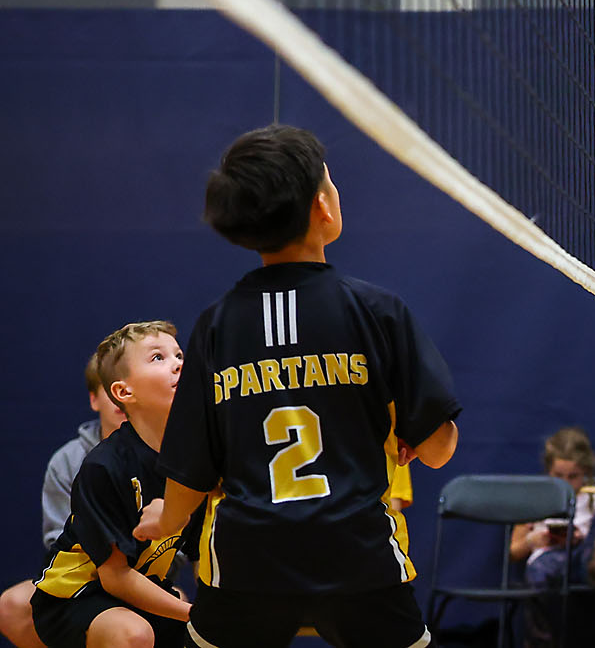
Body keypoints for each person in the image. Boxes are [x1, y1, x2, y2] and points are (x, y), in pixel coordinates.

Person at [134, 124, 462, 648]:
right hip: (358, 558)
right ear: (322, 209)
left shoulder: (217, 326)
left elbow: (192, 467)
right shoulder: (377, 311)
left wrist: (165, 518)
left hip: (248, 562)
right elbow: (439, 449)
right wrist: (411, 437)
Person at [30, 322, 191, 648]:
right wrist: (194, 613)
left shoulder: (196, 457)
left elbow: (207, 548)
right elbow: (115, 577)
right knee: (132, 634)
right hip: (77, 595)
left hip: (146, 585)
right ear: (123, 393)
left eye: (179, 354)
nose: (177, 363)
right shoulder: (104, 466)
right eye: (158, 358)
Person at [1, 357, 128, 648]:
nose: (118, 398)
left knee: (170, 611)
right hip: (82, 578)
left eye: (125, 387)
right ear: (94, 399)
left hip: (146, 578)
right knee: (12, 605)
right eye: (109, 389)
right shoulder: (69, 461)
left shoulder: (168, 454)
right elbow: (57, 539)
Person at [510, 427, 595, 591]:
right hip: (545, 564)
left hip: (585, 561)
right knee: (542, 571)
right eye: (559, 476)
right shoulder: (536, 499)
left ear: (586, 472)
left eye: (573, 476)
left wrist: (582, 539)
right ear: (548, 471)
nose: (565, 483)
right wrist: (532, 541)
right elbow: (513, 552)